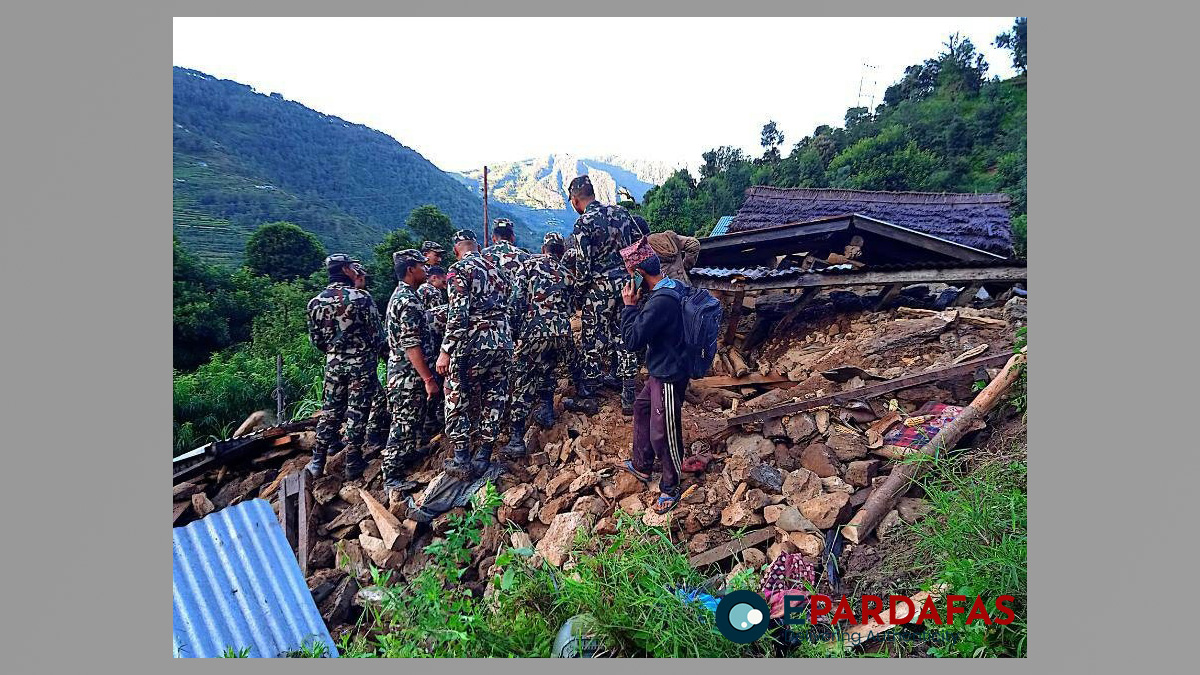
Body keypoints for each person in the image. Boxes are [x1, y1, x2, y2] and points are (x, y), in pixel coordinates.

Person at [615, 238, 690, 514]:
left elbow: (633, 339)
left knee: (664, 430)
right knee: (642, 407)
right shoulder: (673, 286)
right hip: (664, 366)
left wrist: (629, 306)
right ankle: (642, 464)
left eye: (629, 272)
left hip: (669, 372)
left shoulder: (660, 302)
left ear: (639, 273)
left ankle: (671, 486)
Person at [436, 229, 513, 479]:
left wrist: (446, 351)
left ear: (456, 250)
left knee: (456, 392)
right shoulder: (497, 270)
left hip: (474, 343)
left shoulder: (458, 270)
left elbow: (458, 315)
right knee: (495, 395)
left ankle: (461, 459)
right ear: (477, 246)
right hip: (502, 341)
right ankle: (483, 456)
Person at [564, 175, 641, 412]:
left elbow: (583, 266)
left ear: (576, 200)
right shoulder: (621, 213)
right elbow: (640, 244)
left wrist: (578, 294)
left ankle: (589, 393)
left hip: (598, 289)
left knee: (593, 339)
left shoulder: (583, 223)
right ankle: (628, 394)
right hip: (626, 286)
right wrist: (633, 275)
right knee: (625, 335)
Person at [305, 254, 385, 480]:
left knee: (330, 411)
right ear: (346, 270)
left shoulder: (315, 302)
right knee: (357, 412)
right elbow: (377, 336)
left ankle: (317, 460)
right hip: (361, 364)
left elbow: (317, 341)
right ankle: (352, 460)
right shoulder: (361, 298)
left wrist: (335, 351)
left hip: (334, 364)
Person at [501, 232, 576, 456]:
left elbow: (516, 300)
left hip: (533, 332)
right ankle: (546, 412)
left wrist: (514, 332)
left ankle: (516, 439)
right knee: (548, 370)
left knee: (524, 381)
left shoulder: (528, 265)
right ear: (561, 251)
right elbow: (571, 309)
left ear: (544, 249)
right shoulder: (567, 273)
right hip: (561, 333)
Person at [380, 249, 440, 496]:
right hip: (407, 374)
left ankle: (409, 454)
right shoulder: (408, 301)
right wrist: (428, 379)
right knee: (403, 423)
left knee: (412, 419)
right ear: (409, 270)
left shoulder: (404, 296)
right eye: (421, 265)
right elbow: (411, 345)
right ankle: (391, 475)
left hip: (404, 371)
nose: (425, 269)